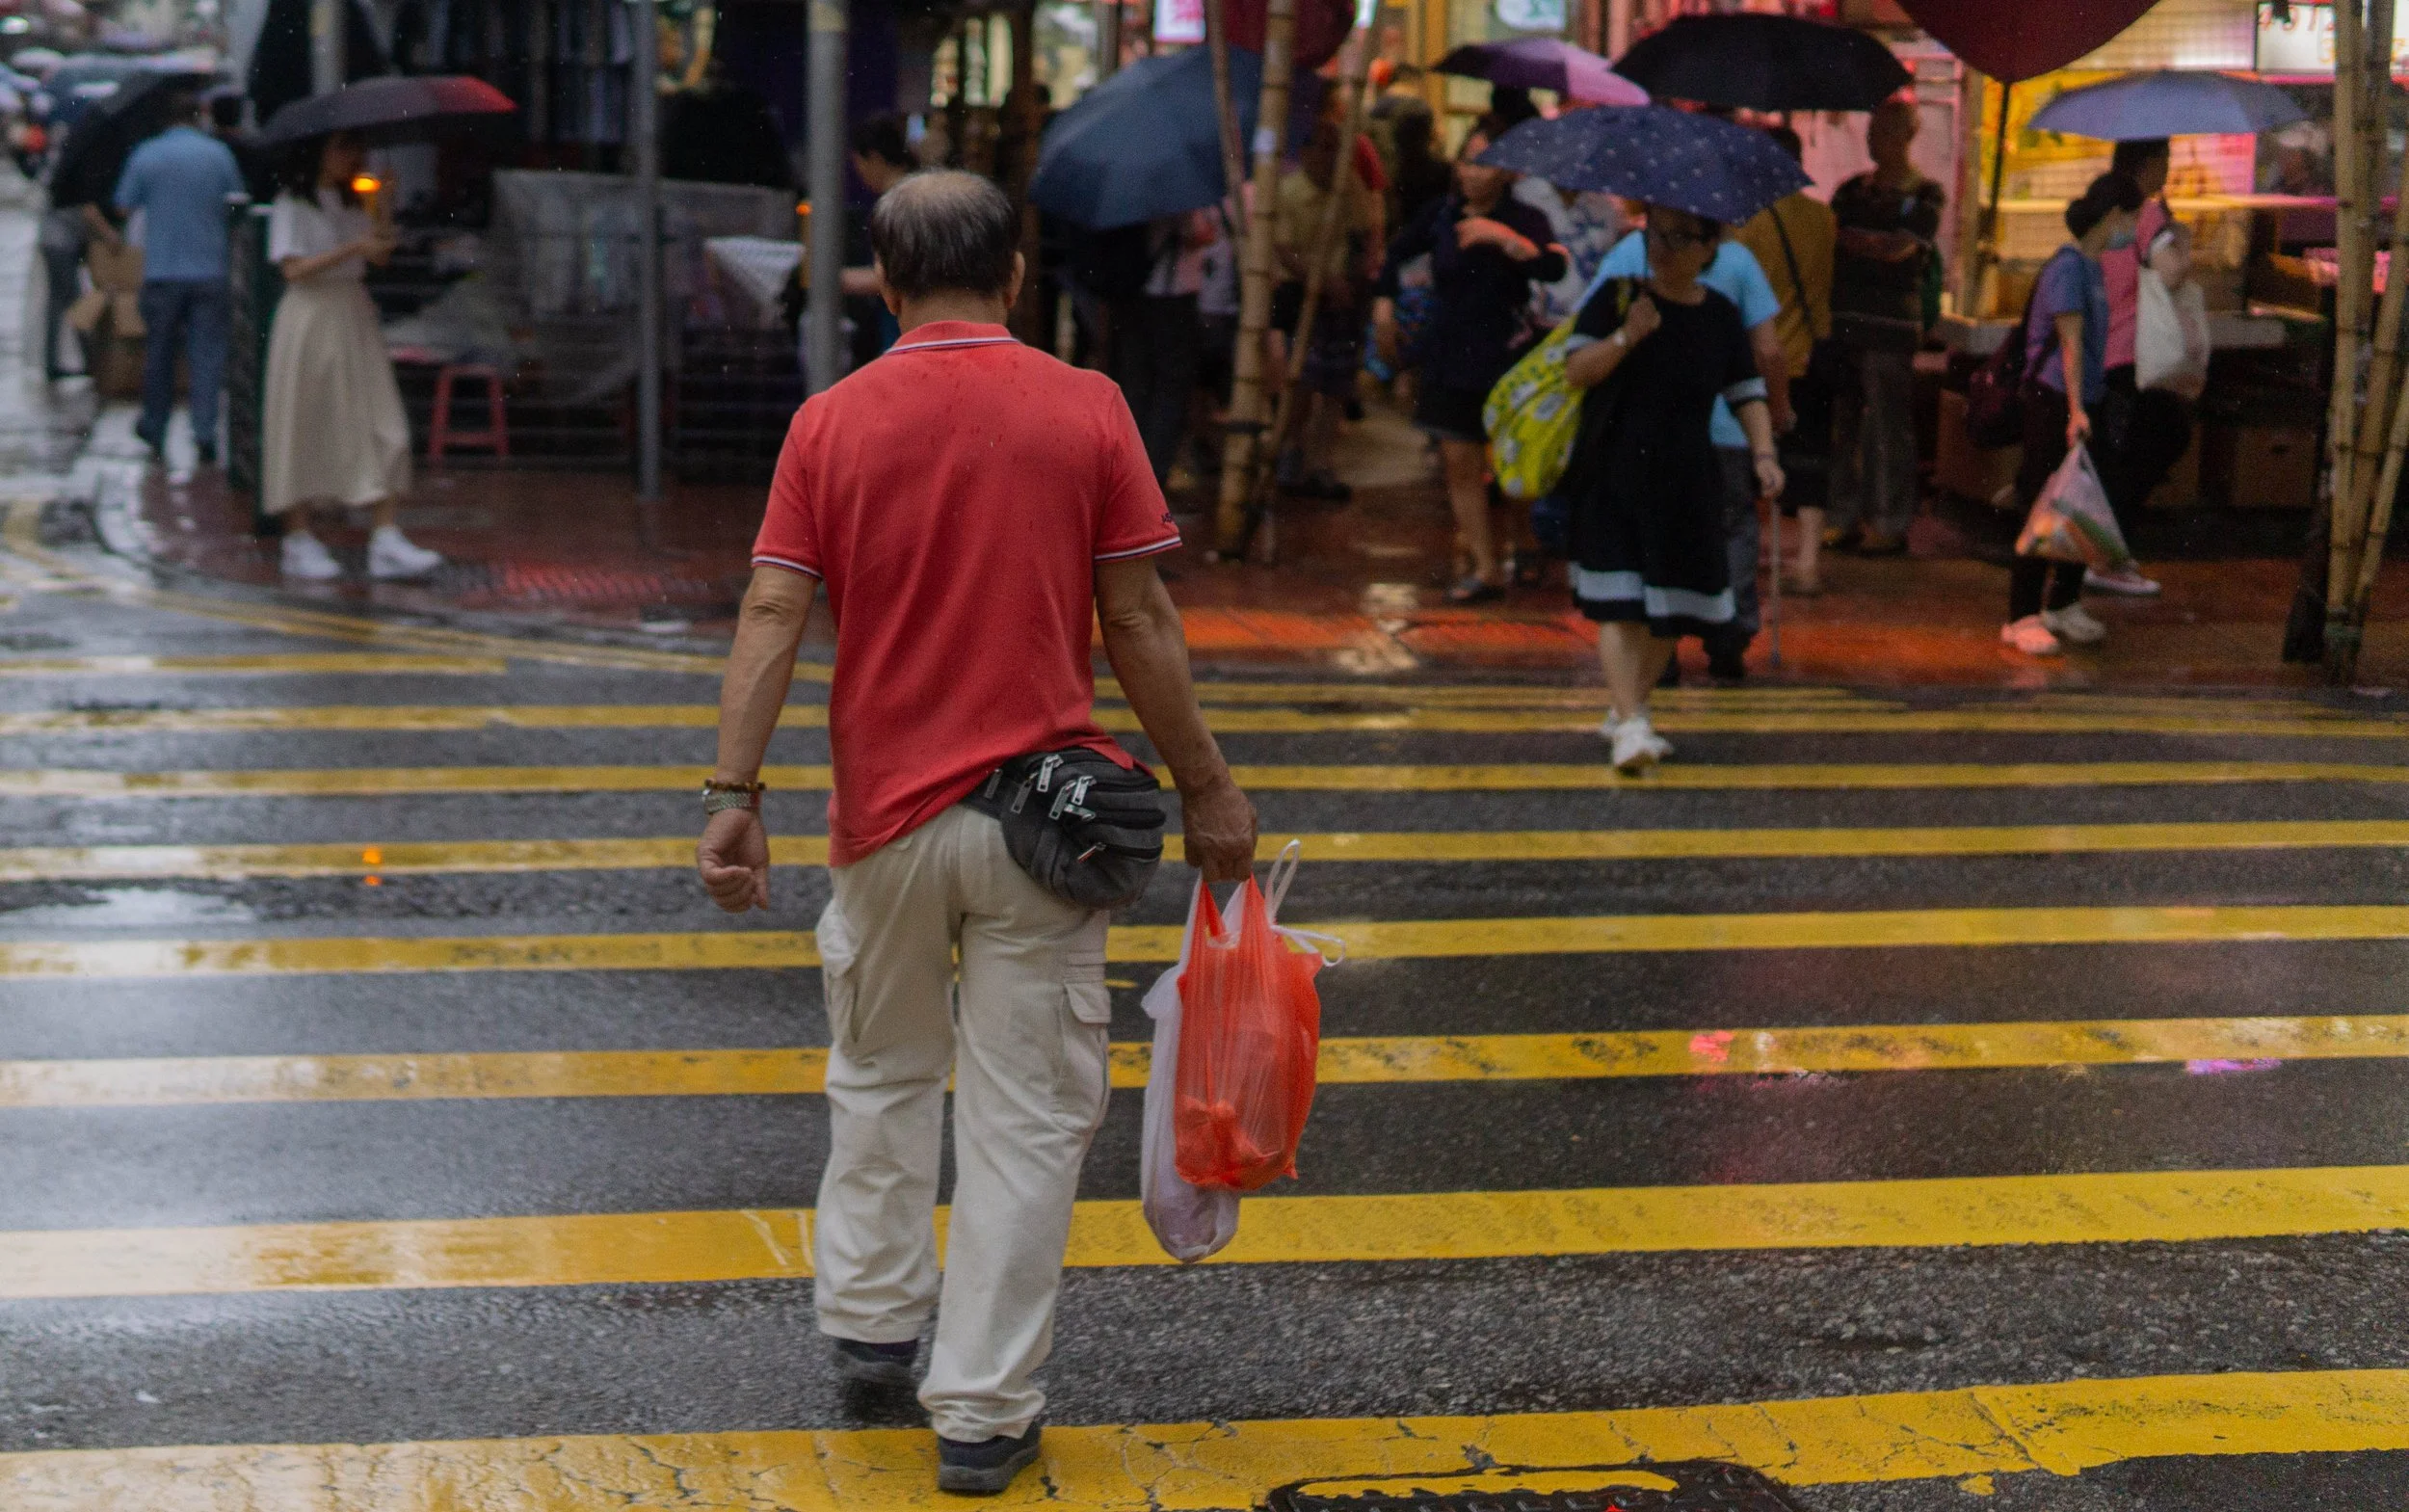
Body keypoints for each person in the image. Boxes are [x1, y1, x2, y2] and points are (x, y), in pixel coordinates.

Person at [695, 170, 1257, 1499]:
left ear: (884, 286)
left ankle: (875, 1315)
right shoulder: (1088, 408)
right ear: (1017, 275)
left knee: (879, 1073)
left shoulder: (828, 423)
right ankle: (983, 1409)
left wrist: (732, 797)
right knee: (1024, 1118)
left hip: (879, 823)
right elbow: (1138, 624)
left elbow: (771, 617)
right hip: (1039, 831)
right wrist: (1207, 785)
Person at [1560, 203, 1782, 770]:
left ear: (1711, 247)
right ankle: (1632, 722)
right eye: (1657, 234)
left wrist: (1764, 453)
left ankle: (1625, 709)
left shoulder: (1721, 316)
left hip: (1687, 477)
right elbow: (1576, 370)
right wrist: (1625, 337)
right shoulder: (1618, 295)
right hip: (1617, 470)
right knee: (1619, 605)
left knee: (1676, 607)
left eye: (1683, 238)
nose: (1665, 247)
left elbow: (1746, 389)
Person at [1373, 116, 1566, 602]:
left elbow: (1555, 265)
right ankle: (1485, 567)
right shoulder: (1442, 214)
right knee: (1459, 460)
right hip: (1450, 353)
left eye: (1484, 163)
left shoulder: (1524, 218)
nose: (1472, 173)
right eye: (1467, 161)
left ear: (1506, 171)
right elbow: (1396, 255)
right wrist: (1382, 306)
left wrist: (1503, 239)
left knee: (1511, 464)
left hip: (1507, 356)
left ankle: (1523, 545)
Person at [261, 131, 441, 582]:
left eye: (357, 149)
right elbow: (293, 268)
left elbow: (378, 253)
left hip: (351, 312)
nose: (353, 158)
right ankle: (298, 537)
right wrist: (350, 248)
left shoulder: (351, 200)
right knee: (303, 422)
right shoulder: (292, 204)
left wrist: (384, 206)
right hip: (310, 313)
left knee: (383, 422)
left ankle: (385, 533)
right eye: (344, 148)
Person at [2002, 172, 2141, 658]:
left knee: (2079, 505)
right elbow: (2070, 342)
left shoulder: (2093, 267)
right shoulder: (2068, 269)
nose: (2135, 229)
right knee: (2043, 504)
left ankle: (2063, 601)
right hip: (2055, 401)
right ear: (2112, 218)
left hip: (2084, 400)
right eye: (2132, 218)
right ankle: (2022, 614)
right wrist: (2076, 409)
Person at [1826, 99, 1944, 558]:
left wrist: (1860, 241)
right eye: (1872, 131)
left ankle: (1890, 521)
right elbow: (1838, 234)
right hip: (1845, 321)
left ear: (1904, 137)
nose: (1872, 140)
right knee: (1844, 422)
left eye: (1882, 131)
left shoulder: (1927, 194)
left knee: (1888, 424)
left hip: (1892, 327)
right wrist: (1874, 243)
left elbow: (1902, 248)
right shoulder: (1852, 190)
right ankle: (1843, 516)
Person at [112, 92, 246, 467]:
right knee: (207, 355)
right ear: (198, 117)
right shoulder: (218, 154)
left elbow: (124, 204)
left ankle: (155, 427)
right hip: (210, 268)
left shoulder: (147, 154)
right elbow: (236, 202)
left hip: (163, 270)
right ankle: (204, 434)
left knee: (160, 354)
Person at [1734, 126, 1837, 595]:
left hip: (1761, 357)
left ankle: (1754, 552)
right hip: (1813, 357)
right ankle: (1809, 562)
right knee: (1811, 459)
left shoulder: (1745, 224)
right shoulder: (1823, 219)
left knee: (1757, 456)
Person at [2091, 138, 2185, 598]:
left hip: (2098, 351)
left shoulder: (2101, 207)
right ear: (2148, 164)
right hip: (2131, 354)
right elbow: (2169, 272)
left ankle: (2104, 556)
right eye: (2165, 160)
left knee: (2113, 455)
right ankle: (2106, 558)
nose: (2167, 169)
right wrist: (2177, 241)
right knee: (2158, 438)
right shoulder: (2146, 214)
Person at [1272, 119, 1383, 499]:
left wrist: (1351, 279)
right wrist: (1320, 281)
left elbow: (1364, 234)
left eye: (1336, 148)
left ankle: (1321, 462)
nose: (1329, 156)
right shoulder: (1287, 193)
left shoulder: (1349, 186)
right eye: (1322, 147)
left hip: (1344, 300)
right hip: (1304, 297)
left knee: (1337, 386)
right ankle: (1288, 451)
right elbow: (1284, 249)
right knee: (1300, 382)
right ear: (1304, 153)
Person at [1108, 209, 1215, 487]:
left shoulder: (1135, 197)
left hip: (1135, 294)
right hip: (1171, 296)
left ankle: (1129, 470)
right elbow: (1196, 235)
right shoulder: (1178, 199)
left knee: (1137, 383)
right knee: (1170, 386)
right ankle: (1154, 473)